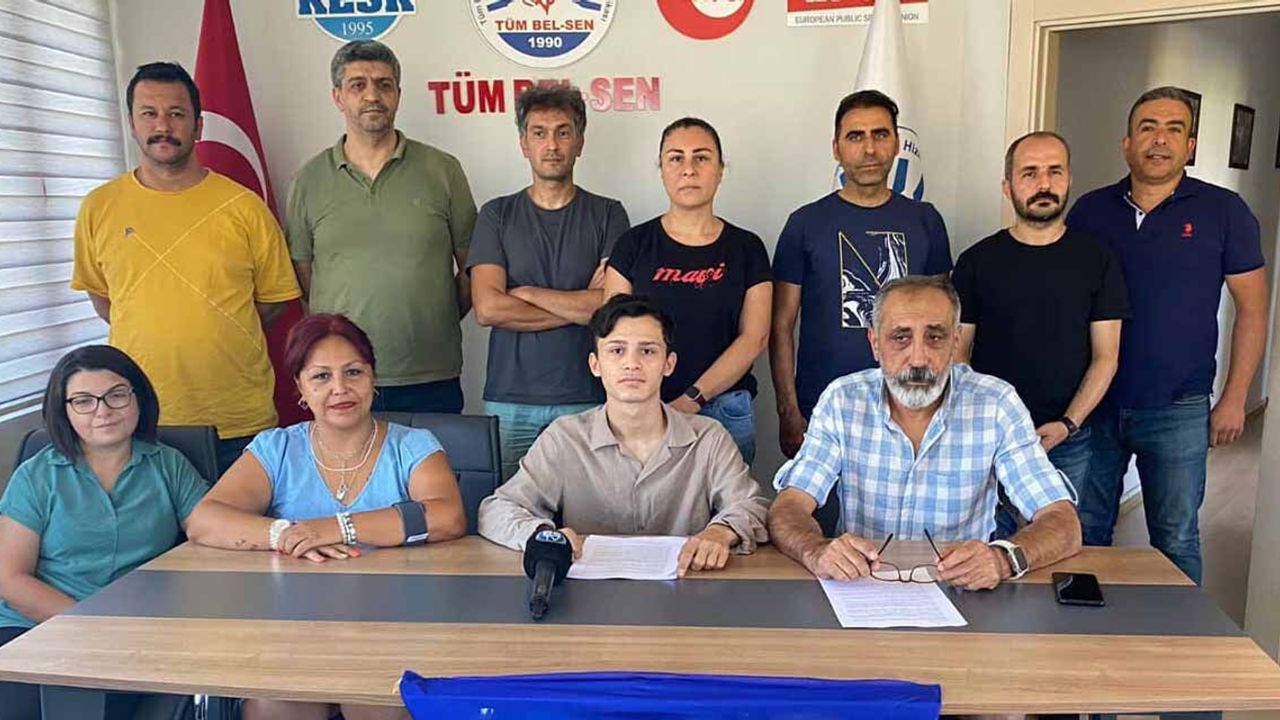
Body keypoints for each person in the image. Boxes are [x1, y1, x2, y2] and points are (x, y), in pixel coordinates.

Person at [185, 314, 466, 720]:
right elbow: (204, 520)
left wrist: (337, 528)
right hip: (294, 631)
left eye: (353, 372)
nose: (340, 388)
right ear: (300, 387)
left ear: (373, 378)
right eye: (321, 377)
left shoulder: (413, 444)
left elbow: (446, 516)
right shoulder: (278, 448)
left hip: (396, 626)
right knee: (276, 710)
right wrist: (285, 533)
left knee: (378, 708)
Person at [1067, 86, 1269, 585]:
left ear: (1190, 145)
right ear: (1126, 143)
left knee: (1176, 538)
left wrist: (1235, 398)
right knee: (1085, 532)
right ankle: (1083, 627)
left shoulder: (1225, 211)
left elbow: (1253, 309)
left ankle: (1178, 631)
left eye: (1173, 129)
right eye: (1148, 128)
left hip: (1178, 406)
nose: (1160, 140)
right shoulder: (1090, 211)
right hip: (1095, 404)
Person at [768, 276, 1081, 590]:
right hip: (862, 588)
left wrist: (1002, 559)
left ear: (955, 341)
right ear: (874, 342)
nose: (918, 358)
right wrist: (816, 550)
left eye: (935, 337)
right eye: (900, 338)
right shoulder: (842, 400)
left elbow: (1063, 521)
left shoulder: (996, 404)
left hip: (963, 590)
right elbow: (789, 507)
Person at [71, 62, 302, 474]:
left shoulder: (244, 207)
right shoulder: (99, 207)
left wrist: (216, 326)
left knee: (245, 520)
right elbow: (106, 301)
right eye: (149, 113)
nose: (163, 125)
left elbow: (273, 302)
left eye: (176, 114)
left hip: (237, 422)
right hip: (140, 420)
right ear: (131, 124)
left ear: (198, 126)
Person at [478, 295, 769, 576]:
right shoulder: (565, 438)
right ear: (595, 364)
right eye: (617, 350)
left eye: (647, 351)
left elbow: (751, 505)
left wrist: (721, 531)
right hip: (587, 595)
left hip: (685, 587)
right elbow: (497, 509)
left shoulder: (708, 437)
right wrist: (544, 535)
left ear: (668, 364)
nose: (632, 364)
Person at [0, 346, 208, 720]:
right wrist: (90, 626)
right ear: (63, 410)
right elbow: (10, 578)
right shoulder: (37, 475)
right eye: (83, 401)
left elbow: (210, 527)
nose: (103, 410)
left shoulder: (168, 464)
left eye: (116, 395)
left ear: (138, 398)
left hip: (133, 630)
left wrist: (281, 535)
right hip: (35, 624)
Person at [952, 131, 1130, 538]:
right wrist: (990, 423)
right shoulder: (976, 261)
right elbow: (958, 355)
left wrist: (1068, 423)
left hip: (1069, 438)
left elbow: (1106, 356)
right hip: (991, 438)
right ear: (1008, 187)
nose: (1044, 183)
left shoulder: (1097, 259)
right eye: (1029, 173)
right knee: (986, 549)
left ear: (1069, 179)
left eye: (1055, 171)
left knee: (1062, 548)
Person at [286, 40, 477, 414]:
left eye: (384, 85)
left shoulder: (443, 170)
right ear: (338, 97)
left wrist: (432, 314)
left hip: (429, 375)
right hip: (342, 380)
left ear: (398, 95)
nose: (372, 95)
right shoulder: (308, 180)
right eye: (358, 85)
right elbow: (305, 275)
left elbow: (473, 265)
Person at [771, 90, 953, 463]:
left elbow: (944, 322)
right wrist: (788, 410)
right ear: (836, 148)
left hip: (911, 405)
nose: (869, 149)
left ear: (897, 143)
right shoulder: (804, 224)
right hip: (823, 409)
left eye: (880, 134)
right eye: (855, 136)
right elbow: (781, 326)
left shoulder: (926, 221)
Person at [469, 85, 630, 479]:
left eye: (563, 132)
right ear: (524, 144)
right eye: (539, 133)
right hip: (510, 400)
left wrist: (525, 293)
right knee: (510, 508)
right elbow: (488, 309)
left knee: (592, 507)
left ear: (580, 142)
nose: (552, 145)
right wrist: (583, 305)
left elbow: (612, 307)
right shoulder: (496, 215)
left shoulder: (608, 214)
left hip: (587, 394)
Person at [604, 118, 771, 463]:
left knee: (726, 501)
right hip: (645, 410)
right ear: (662, 169)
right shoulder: (633, 245)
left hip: (725, 411)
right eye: (676, 158)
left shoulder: (747, 248)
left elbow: (754, 337)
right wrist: (646, 405)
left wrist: (692, 400)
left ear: (720, 170)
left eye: (702, 157)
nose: (689, 169)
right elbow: (613, 334)